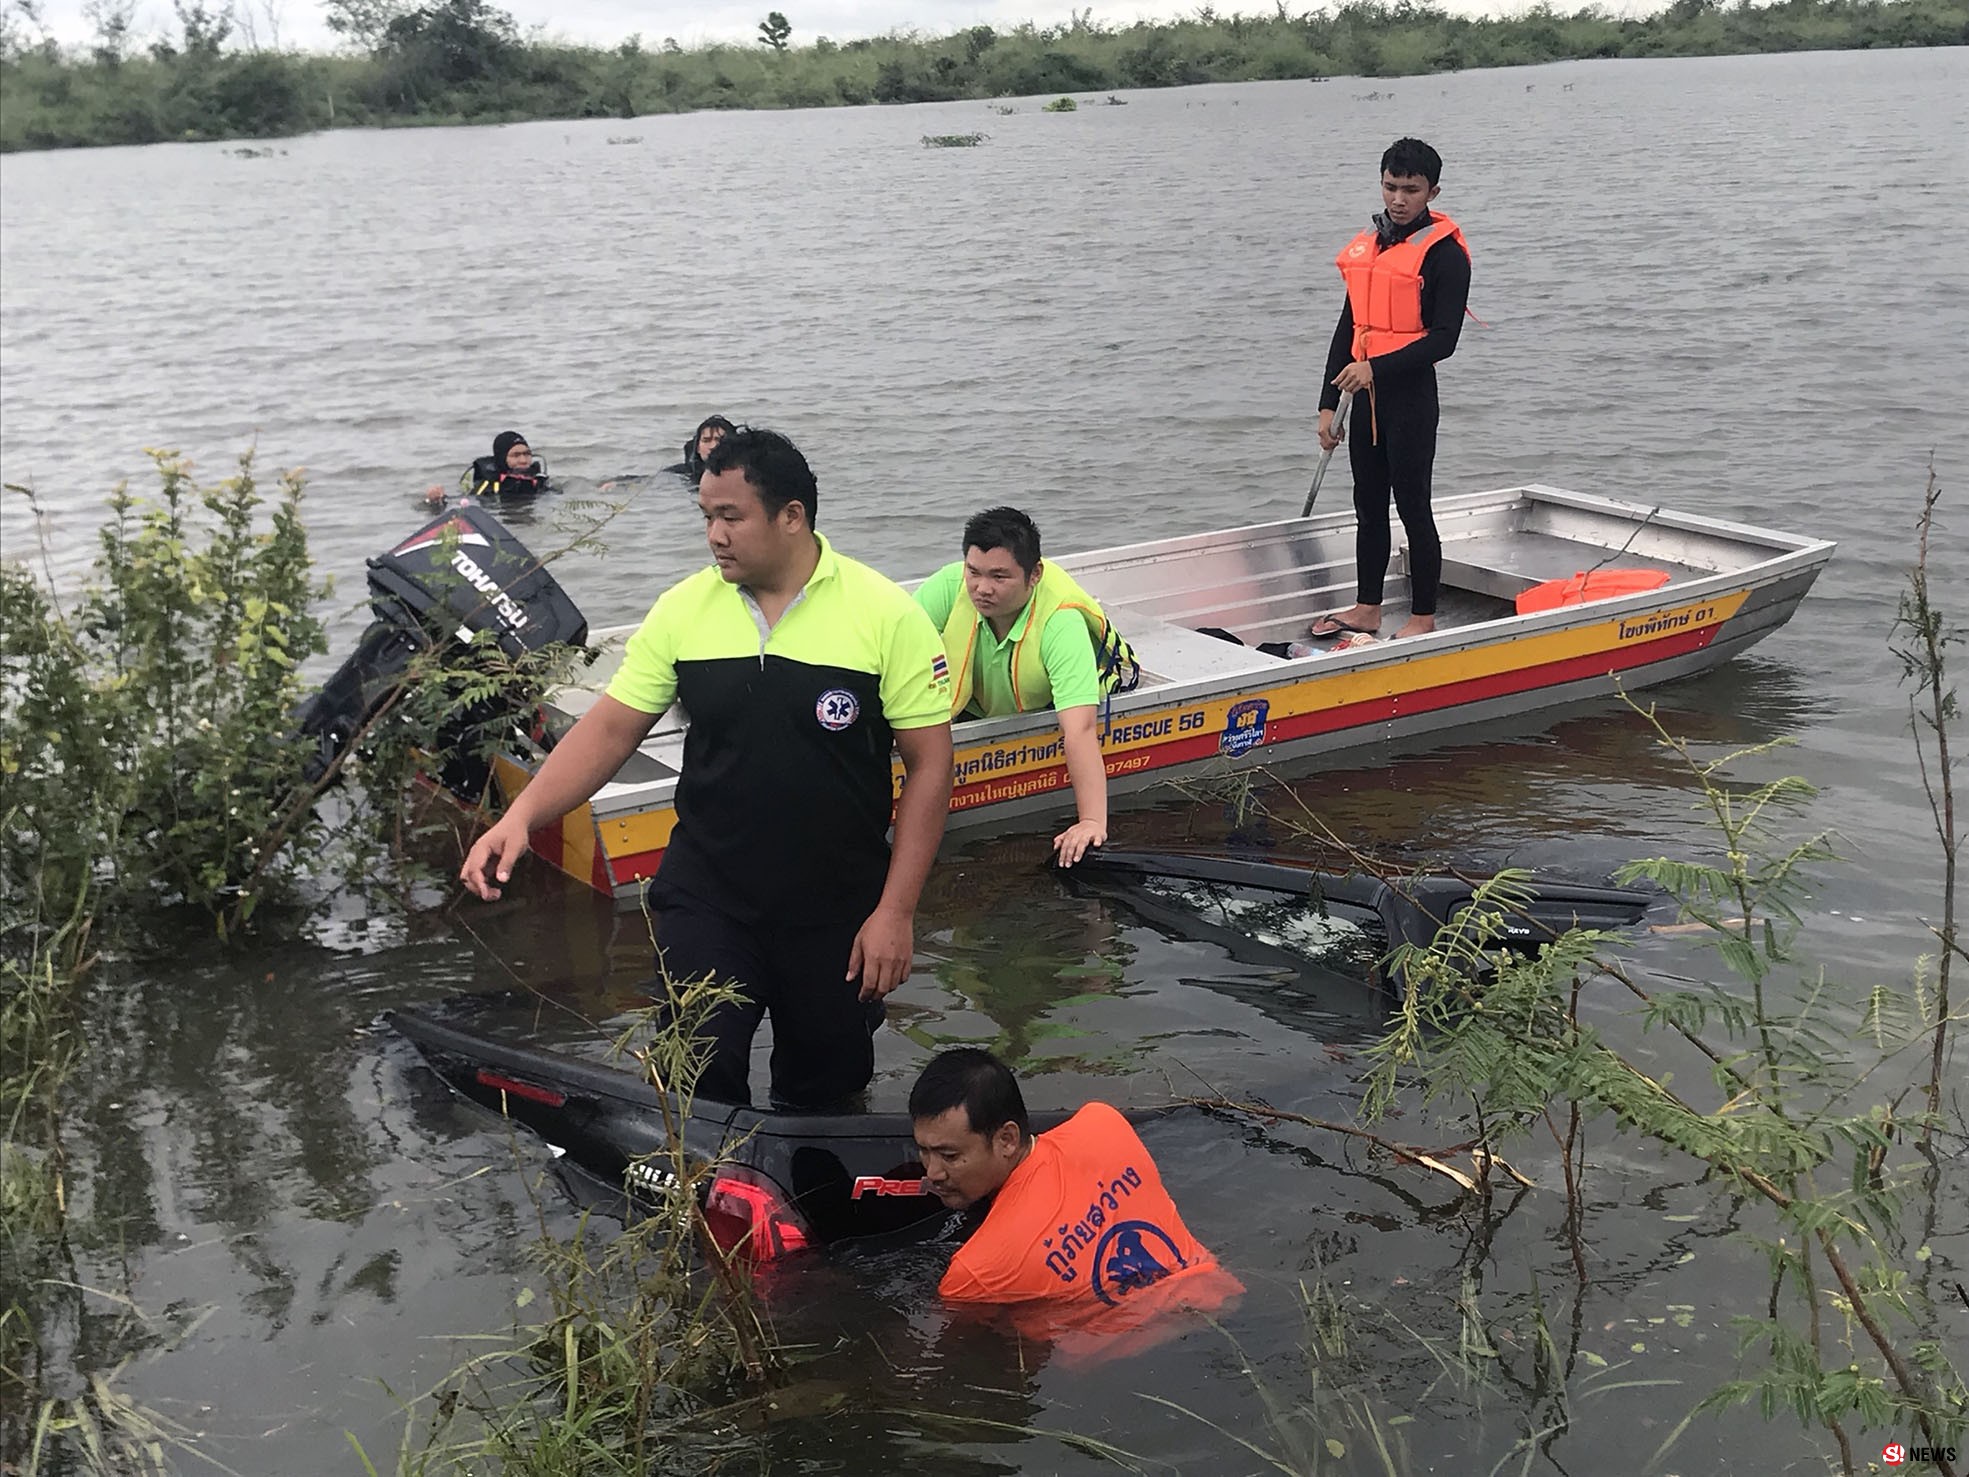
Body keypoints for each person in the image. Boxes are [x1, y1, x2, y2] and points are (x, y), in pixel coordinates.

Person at [459, 428, 955, 1112]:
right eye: (706, 517)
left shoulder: (884, 614)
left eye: (731, 516)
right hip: (709, 895)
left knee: (824, 1093)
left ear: (791, 516)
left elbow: (931, 767)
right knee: (696, 1077)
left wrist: (895, 911)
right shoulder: (684, 609)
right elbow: (607, 730)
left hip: (836, 905)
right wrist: (520, 817)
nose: (714, 535)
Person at [911, 1048, 1241, 1343]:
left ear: (1007, 1140)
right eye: (923, 1151)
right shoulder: (1104, 1123)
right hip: (1220, 1300)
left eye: (949, 1156)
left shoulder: (974, 1273)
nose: (932, 1173)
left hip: (1133, 1364)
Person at [1309, 137, 1472, 643]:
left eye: (1411, 190)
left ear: (1433, 191)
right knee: (1367, 504)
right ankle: (1368, 607)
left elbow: (1444, 341)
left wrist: (1375, 369)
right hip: (1365, 401)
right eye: (1390, 187)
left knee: (1413, 506)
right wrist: (1327, 403)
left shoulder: (1445, 257)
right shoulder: (1372, 248)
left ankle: (1423, 616)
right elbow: (1348, 328)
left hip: (1411, 400)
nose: (1398, 199)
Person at [912, 507, 1137, 867]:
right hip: (980, 702)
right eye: (974, 572)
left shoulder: (1060, 623)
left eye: (1000, 576)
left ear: (1035, 575)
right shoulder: (951, 585)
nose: (982, 588)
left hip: (1050, 702)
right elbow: (890, 652)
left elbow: (1079, 729)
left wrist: (1092, 821)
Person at [424, 430, 551, 505]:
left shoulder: (540, 482)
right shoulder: (487, 486)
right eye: (516, 455)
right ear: (502, 458)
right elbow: (463, 504)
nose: (523, 460)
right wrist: (438, 500)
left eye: (527, 454)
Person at [665, 414, 736, 482]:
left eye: (720, 440)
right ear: (697, 448)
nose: (713, 446)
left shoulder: (743, 474)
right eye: (706, 440)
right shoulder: (674, 474)